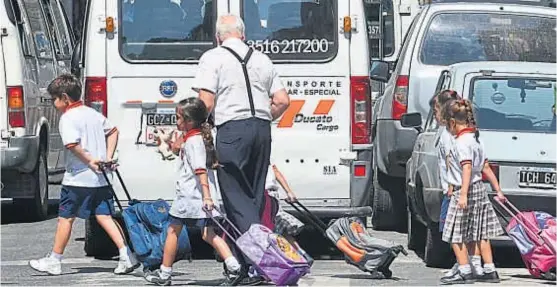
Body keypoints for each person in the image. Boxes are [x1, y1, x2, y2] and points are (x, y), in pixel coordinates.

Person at [193, 14, 290, 285]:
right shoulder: (262, 59)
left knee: (236, 200)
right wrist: (260, 116)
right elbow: (282, 101)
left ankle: (261, 264)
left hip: (232, 131)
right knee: (254, 197)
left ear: (218, 37)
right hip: (261, 129)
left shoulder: (213, 57)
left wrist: (195, 129)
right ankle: (245, 266)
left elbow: (206, 101)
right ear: (244, 35)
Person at [29, 74, 138, 275]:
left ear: (64, 98)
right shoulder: (92, 113)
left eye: (54, 99)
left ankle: (55, 259)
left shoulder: (68, 118)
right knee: (105, 216)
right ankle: (126, 254)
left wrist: (89, 161)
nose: (54, 104)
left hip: (78, 178)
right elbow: (113, 131)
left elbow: (72, 145)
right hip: (101, 178)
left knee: (65, 218)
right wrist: (106, 156)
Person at [144, 97, 241, 286]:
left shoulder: (193, 142)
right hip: (198, 196)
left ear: (189, 121)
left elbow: (199, 170)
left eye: (178, 117)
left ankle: (164, 274)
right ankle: (235, 267)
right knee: (208, 234)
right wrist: (166, 143)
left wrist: (206, 196)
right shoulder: (198, 138)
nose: (176, 121)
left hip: (190, 196)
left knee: (172, 231)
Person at [440, 99, 506, 285]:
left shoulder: (461, 142)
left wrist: (462, 194)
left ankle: (465, 270)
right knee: (478, 232)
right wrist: (497, 189)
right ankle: (489, 269)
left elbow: (467, 168)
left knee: (455, 233)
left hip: (465, 189)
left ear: (452, 122)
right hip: (479, 188)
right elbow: (485, 166)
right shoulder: (477, 138)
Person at [263, 164, 314, 266]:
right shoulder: (265, 155)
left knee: (272, 231)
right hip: (272, 195)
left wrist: (289, 192)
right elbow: (276, 172)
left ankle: (297, 257)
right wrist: (288, 192)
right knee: (282, 231)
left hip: (265, 196)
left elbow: (275, 171)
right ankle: (301, 255)